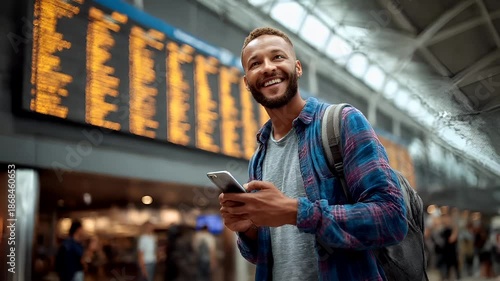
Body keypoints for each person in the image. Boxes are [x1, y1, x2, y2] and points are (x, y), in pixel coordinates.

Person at [219, 27, 408, 281]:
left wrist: (296, 212)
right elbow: (266, 254)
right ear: (247, 82)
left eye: (277, 57)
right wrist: (248, 230)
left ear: (297, 68)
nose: (267, 68)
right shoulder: (259, 159)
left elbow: (392, 218)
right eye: (255, 63)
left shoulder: (342, 123)